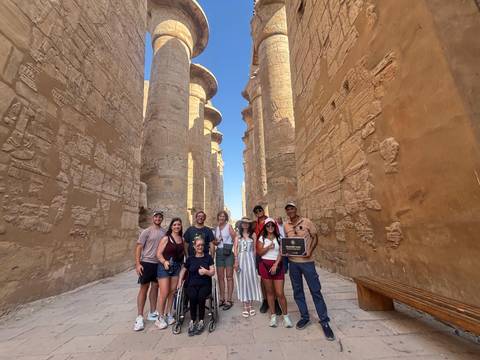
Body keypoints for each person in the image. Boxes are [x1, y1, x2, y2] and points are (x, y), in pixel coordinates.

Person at [283, 202, 335, 340]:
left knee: (315, 290)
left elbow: (315, 237)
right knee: (297, 291)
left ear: (296, 209)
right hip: (293, 263)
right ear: (286, 212)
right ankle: (304, 317)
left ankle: (324, 321)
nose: (290, 211)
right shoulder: (286, 225)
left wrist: (310, 250)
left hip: (307, 262)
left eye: (292, 208)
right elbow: (286, 242)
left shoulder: (307, 222)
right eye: (288, 209)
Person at [256, 217, 293, 328]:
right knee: (270, 292)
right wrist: (268, 247)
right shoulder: (262, 238)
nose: (270, 227)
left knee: (280, 293)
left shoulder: (279, 238)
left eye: (272, 225)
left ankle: (286, 316)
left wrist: (276, 264)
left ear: (274, 226)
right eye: (268, 226)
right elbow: (260, 252)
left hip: (277, 266)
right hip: (264, 266)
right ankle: (273, 316)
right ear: (265, 227)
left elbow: (282, 252)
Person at [133, 210, 166, 331]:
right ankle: (139, 316)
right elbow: (139, 247)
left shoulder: (164, 232)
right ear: (153, 218)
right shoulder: (146, 231)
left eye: (160, 217)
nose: (158, 219)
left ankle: (152, 312)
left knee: (155, 287)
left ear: (162, 219)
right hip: (146, 263)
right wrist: (137, 264)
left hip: (158, 264)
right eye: (156, 217)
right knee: (144, 288)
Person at [178, 236, 215, 336]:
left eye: (202, 245)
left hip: (205, 284)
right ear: (194, 246)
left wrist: (206, 271)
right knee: (192, 297)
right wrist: (179, 281)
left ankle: (201, 321)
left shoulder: (208, 257)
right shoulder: (190, 258)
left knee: (201, 297)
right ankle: (193, 321)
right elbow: (183, 271)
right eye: (198, 245)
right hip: (192, 284)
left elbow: (212, 272)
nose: (200, 247)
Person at [155, 217, 185, 329]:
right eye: (175, 225)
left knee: (172, 292)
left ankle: (169, 313)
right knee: (164, 292)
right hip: (165, 267)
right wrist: (164, 261)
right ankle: (160, 317)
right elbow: (158, 254)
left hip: (176, 267)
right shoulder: (166, 238)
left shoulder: (181, 239)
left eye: (178, 225)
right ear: (171, 226)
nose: (177, 226)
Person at [253, 205, 282, 315]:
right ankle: (265, 301)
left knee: (274, 278)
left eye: (260, 210)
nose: (258, 212)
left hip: (273, 254)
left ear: (263, 210)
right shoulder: (255, 224)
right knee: (263, 278)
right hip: (260, 253)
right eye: (256, 211)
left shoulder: (271, 221)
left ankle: (275, 302)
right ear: (255, 213)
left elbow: (278, 233)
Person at [234, 217, 262, 317]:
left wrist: (254, 262)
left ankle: (250, 305)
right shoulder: (238, 236)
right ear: (241, 224)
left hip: (250, 259)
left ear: (249, 225)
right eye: (243, 223)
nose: (245, 225)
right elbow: (236, 249)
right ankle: (245, 305)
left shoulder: (253, 235)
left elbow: (254, 249)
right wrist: (236, 261)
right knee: (242, 281)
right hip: (241, 259)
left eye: (247, 223)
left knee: (250, 280)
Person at [213, 210, 237, 310]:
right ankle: (222, 298)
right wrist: (217, 241)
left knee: (229, 277)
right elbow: (214, 242)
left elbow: (235, 238)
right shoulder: (216, 228)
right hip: (219, 252)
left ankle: (229, 299)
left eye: (223, 216)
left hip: (228, 253)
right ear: (218, 217)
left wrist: (235, 254)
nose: (221, 218)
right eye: (220, 216)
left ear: (226, 218)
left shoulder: (229, 226)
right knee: (220, 277)